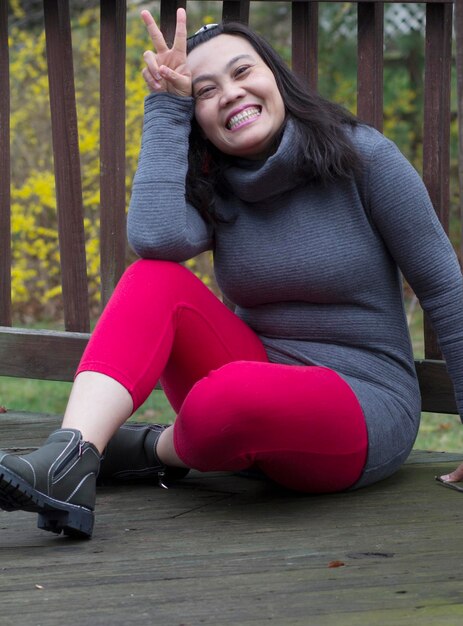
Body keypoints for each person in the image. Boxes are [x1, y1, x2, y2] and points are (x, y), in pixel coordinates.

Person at [1, 8, 463, 540]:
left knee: (232, 396)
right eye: (204, 91)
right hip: (246, 391)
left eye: (243, 72)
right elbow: (154, 240)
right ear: (197, 116)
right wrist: (165, 107)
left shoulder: (364, 158)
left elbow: (446, 291)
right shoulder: (218, 183)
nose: (231, 94)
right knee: (155, 279)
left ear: (275, 77)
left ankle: (154, 448)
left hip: (360, 406)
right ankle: (67, 462)